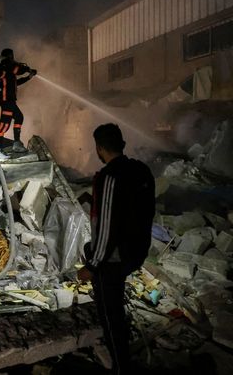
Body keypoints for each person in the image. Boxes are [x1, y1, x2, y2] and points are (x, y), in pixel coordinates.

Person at [77, 123, 155, 375]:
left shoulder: (109, 176)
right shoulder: (141, 171)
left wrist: (92, 266)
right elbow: (135, 209)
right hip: (137, 250)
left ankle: (121, 366)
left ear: (100, 148)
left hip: (115, 257)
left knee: (110, 314)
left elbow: (108, 228)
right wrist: (93, 201)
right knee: (92, 251)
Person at [0, 48, 37, 153]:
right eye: (11, 56)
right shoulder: (5, 66)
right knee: (4, 124)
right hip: (6, 99)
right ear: (9, 56)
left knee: (18, 117)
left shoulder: (7, 68)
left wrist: (29, 77)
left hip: (9, 99)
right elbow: (19, 70)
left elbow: (15, 82)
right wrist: (27, 69)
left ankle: (16, 143)